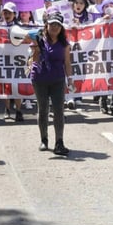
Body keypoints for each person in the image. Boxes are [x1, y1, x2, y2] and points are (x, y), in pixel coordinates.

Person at [29, 11, 72, 155]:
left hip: (57, 80)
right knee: (43, 109)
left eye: (58, 25)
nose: (55, 27)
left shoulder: (64, 44)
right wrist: (36, 49)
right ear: (46, 25)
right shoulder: (38, 39)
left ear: (61, 28)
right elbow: (34, 61)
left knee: (59, 110)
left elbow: (67, 63)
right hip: (40, 79)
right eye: (52, 24)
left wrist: (70, 79)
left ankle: (59, 142)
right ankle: (44, 139)